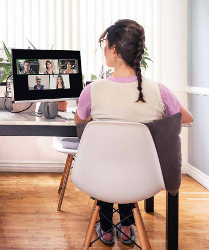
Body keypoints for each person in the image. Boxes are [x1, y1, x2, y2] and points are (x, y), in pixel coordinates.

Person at [74, 19, 193, 245]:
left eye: (105, 45)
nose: (104, 51)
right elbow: (186, 118)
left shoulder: (92, 91)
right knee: (127, 158)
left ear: (115, 49)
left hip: (98, 176)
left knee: (110, 159)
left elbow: (79, 121)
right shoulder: (158, 91)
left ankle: (106, 229)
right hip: (142, 178)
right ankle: (127, 227)